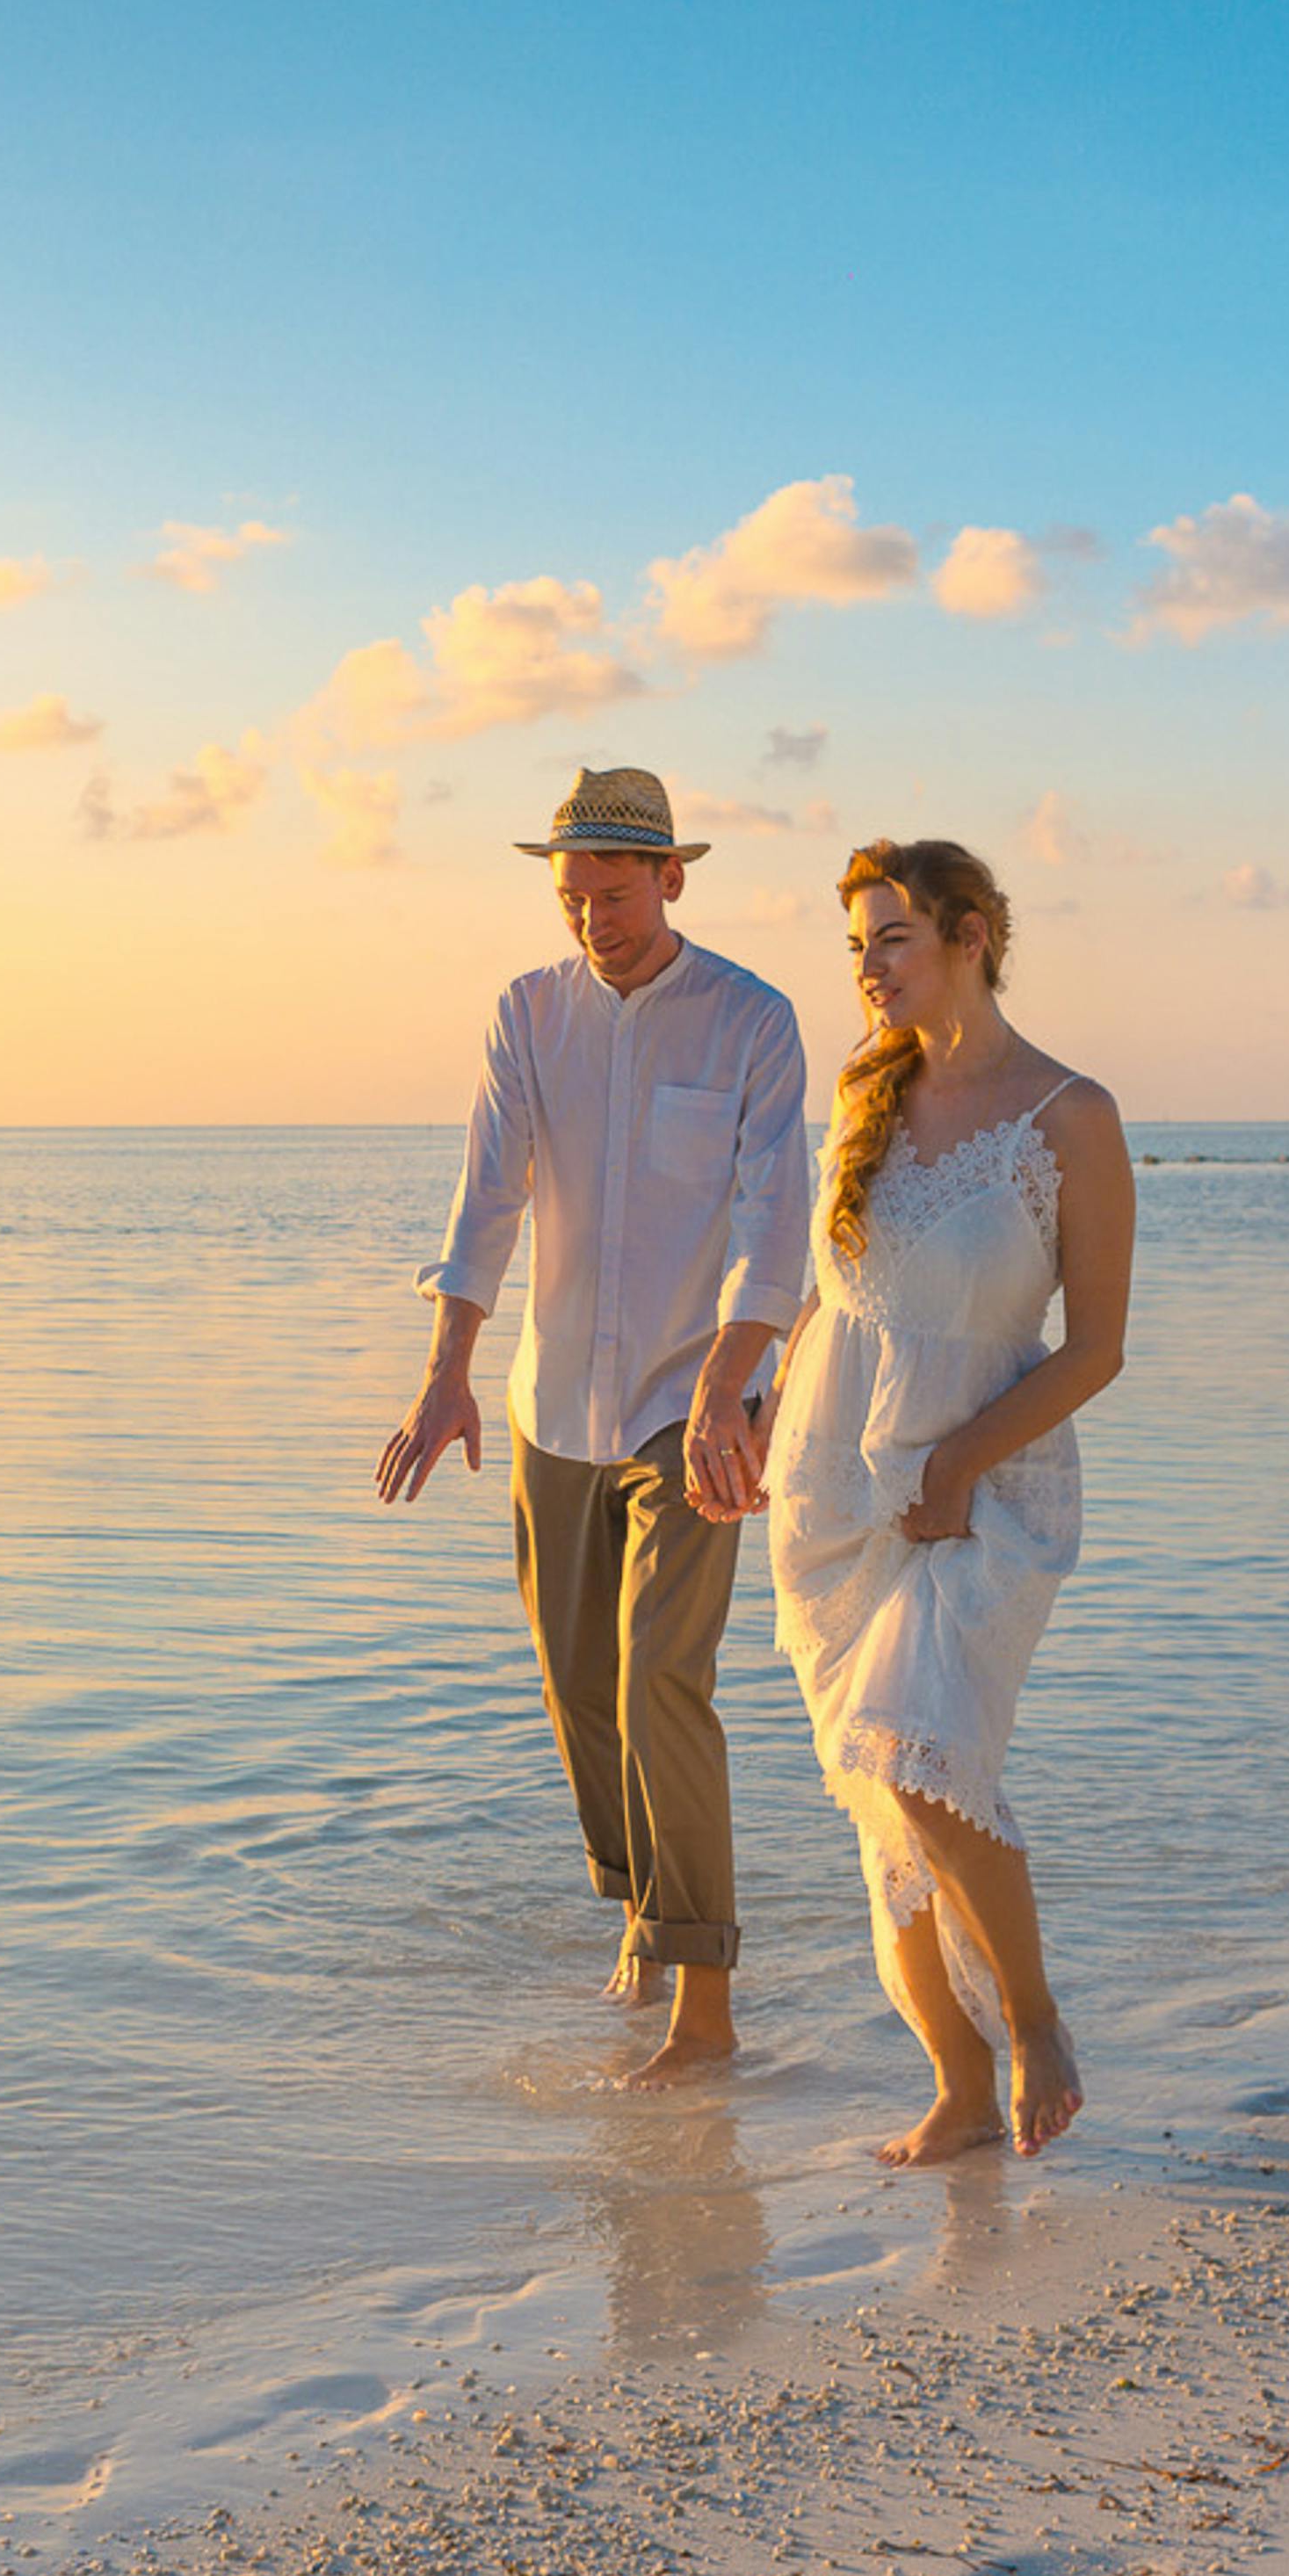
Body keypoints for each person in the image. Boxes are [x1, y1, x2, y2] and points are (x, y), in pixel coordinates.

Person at [374, 766, 813, 2085]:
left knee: (657, 1679)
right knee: (579, 1691)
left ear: (673, 876)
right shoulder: (529, 1013)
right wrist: (447, 1367)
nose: (592, 921)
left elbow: (774, 1219)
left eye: (614, 894)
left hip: (694, 1410)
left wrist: (739, 1375)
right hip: (552, 1407)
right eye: (571, 897)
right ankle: (639, 1906)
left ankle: (706, 2003)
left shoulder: (752, 1022)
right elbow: (487, 1203)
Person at [745, 836, 1132, 2164]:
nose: (866, 970)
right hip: (835, 1484)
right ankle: (958, 2087)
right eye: (855, 946)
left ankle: (1034, 2025)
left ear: (971, 934)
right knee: (877, 1794)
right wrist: (746, 1412)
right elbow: (836, 1297)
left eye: (890, 939)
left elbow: (1097, 1347)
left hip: (986, 1489)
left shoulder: (1069, 1116)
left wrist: (961, 1461)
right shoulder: (869, 1093)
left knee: (920, 1757)